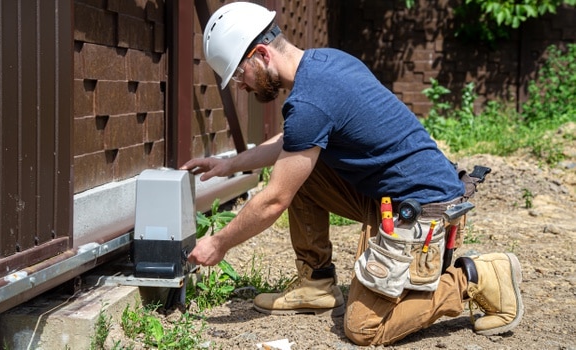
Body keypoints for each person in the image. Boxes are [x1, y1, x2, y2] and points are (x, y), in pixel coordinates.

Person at [181, 2, 524, 346]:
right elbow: (293, 142)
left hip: (424, 210)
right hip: (395, 195)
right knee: (299, 170)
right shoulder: (326, 62)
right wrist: (230, 164)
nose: (241, 86)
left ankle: (476, 277)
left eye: (239, 74)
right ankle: (316, 284)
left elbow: (273, 201)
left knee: (364, 329)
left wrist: (218, 243)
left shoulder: (310, 101)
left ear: (260, 54)